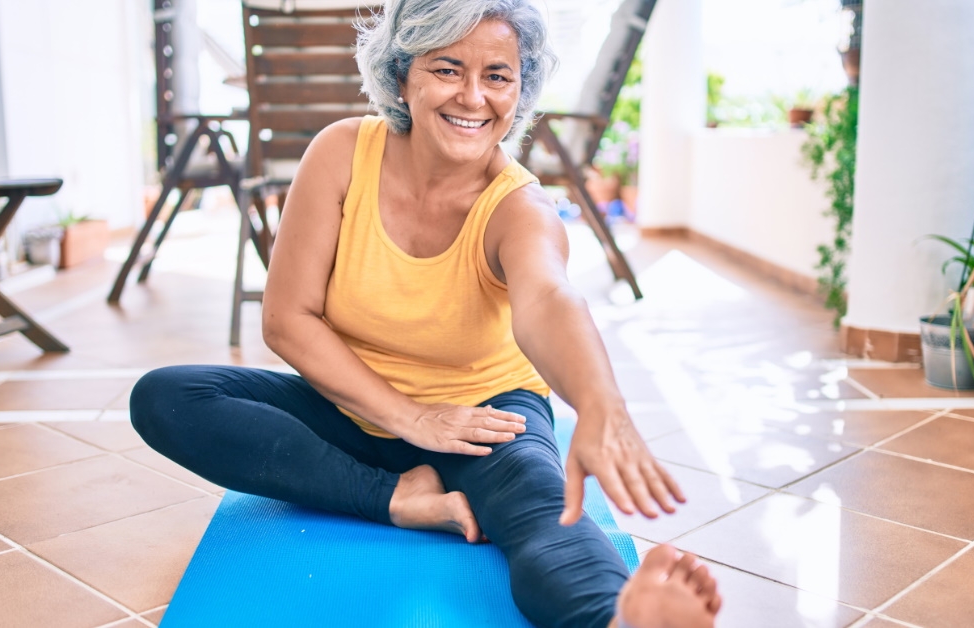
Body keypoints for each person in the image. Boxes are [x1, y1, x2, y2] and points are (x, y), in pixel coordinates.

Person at [130, 1, 721, 626]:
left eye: (498, 75)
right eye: (447, 68)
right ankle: (397, 497)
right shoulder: (340, 154)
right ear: (401, 73)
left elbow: (548, 299)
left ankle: (614, 619)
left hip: (480, 419)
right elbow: (286, 318)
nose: (473, 97)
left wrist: (601, 405)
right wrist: (410, 420)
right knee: (167, 397)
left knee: (545, 512)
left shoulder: (518, 207)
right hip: (351, 405)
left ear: (519, 91)